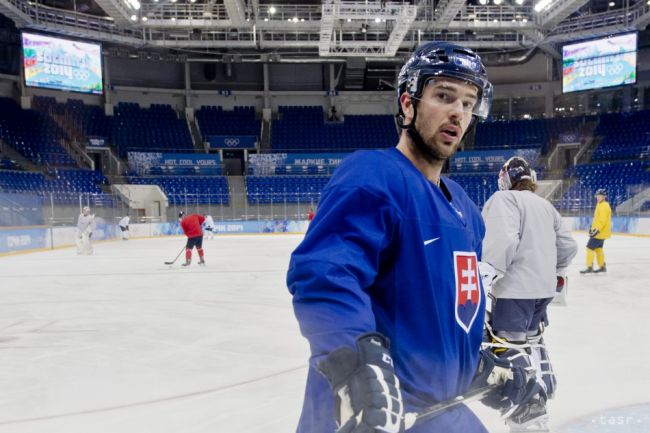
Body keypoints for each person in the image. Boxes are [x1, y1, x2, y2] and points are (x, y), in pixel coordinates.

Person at [287, 42, 530, 433]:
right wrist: (357, 367)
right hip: (377, 415)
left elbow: (444, 317)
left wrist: (484, 368)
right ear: (408, 103)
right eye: (444, 96)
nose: (458, 112)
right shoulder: (373, 175)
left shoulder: (466, 208)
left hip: (442, 413)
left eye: (469, 103)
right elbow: (326, 277)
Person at [480, 156, 578, 430]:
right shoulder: (545, 205)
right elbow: (568, 246)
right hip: (543, 290)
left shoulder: (504, 200)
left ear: (506, 179)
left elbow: (503, 240)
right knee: (532, 339)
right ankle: (546, 384)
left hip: (514, 288)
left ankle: (530, 407)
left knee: (507, 343)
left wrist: (486, 272)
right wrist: (554, 269)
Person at [580, 188, 611, 274]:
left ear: (604, 197)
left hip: (600, 232)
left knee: (589, 248)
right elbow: (597, 219)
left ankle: (589, 266)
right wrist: (592, 228)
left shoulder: (604, 206)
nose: (598, 197)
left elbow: (602, 221)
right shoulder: (600, 204)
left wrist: (596, 230)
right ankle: (602, 266)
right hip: (601, 232)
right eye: (597, 196)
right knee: (598, 249)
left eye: (600, 196)